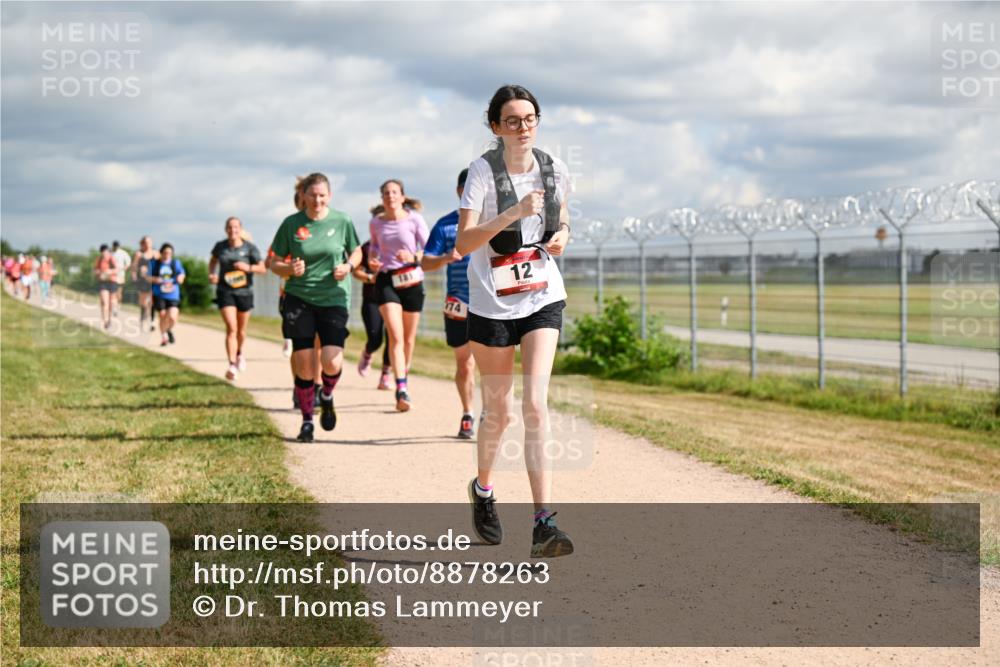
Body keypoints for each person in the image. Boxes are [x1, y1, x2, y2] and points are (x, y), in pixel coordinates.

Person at [456, 84, 574, 558]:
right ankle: (483, 490)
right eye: (512, 121)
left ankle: (544, 523)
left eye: (529, 119)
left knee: (536, 406)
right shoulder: (482, 173)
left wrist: (562, 233)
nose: (523, 128)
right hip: (491, 303)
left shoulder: (554, 167)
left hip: (543, 296)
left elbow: (562, 216)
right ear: (495, 127)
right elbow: (464, 243)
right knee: (500, 412)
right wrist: (512, 212)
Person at [269, 172, 362, 443]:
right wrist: (288, 268)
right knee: (305, 365)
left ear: (329, 196)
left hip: (333, 298)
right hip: (299, 298)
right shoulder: (291, 224)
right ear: (303, 196)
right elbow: (273, 262)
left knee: (332, 361)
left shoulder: (342, 220)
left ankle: (327, 394)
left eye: (322, 195)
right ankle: (307, 420)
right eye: (312, 195)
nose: (317, 200)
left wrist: (349, 266)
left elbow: (356, 251)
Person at [421, 168, 478, 439]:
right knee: (465, 363)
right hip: (459, 302)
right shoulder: (445, 225)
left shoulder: (495, 221)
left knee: (494, 364)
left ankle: (493, 413)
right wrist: (445, 257)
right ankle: (468, 413)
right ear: (459, 191)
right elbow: (424, 262)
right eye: (467, 188)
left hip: (491, 302)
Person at [367, 180, 429, 412]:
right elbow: (374, 247)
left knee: (409, 339)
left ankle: (404, 374)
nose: (390, 196)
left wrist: (413, 256)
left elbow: (430, 247)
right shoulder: (376, 223)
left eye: (394, 192)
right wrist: (373, 259)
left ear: (402, 197)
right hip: (386, 279)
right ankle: (400, 387)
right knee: (396, 335)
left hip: (412, 279)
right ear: (382, 198)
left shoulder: (414, 219)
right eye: (386, 193)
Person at [209, 217, 266, 381]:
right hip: (225, 291)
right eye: (229, 227)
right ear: (226, 229)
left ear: (240, 229)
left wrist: (247, 267)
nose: (232, 230)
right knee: (231, 327)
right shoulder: (220, 247)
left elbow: (262, 268)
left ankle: (239, 352)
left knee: (241, 330)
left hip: (245, 292)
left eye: (235, 227)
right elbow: (213, 261)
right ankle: (232, 364)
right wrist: (212, 273)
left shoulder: (250, 248)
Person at [353, 240, 392, 390]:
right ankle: (368, 352)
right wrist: (370, 278)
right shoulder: (367, 247)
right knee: (375, 338)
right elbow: (356, 271)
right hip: (372, 299)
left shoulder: (399, 243)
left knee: (392, 338)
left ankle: (385, 375)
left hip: (393, 298)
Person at [148, 243, 185, 346]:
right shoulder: (155, 264)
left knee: (173, 317)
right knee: (162, 315)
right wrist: (155, 279)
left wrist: (180, 278)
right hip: (159, 294)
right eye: (165, 253)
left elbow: (181, 274)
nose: (167, 255)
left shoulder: (175, 263)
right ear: (161, 253)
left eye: (169, 253)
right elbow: (147, 277)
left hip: (173, 294)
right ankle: (164, 336)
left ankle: (168, 329)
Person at [132, 236, 159, 332]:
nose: (148, 244)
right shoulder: (139, 254)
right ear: (143, 243)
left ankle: (152, 321)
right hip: (142, 280)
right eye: (146, 242)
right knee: (143, 302)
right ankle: (143, 320)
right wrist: (134, 276)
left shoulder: (156, 254)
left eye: (149, 242)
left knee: (152, 301)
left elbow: (160, 265)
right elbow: (134, 267)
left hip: (153, 280)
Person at [93, 245, 118, 329]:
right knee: (104, 302)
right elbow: (95, 270)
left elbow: (117, 269)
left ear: (108, 251)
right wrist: (99, 273)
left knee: (111, 302)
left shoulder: (112, 259)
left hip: (112, 281)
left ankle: (110, 319)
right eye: (102, 251)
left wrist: (109, 271)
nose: (104, 253)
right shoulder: (99, 259)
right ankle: (105, 321)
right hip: (103, 282)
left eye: (105, 251)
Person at [111, 241, 132, 317]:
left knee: (118, 292)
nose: (116, 248)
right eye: (115, 246)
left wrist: (124, 269)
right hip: (111, 276)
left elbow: (129, 263)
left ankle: (118, 305)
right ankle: (114, 308)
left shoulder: (123, 253)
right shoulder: (110, 253)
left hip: (120, 275)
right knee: (112, 292)